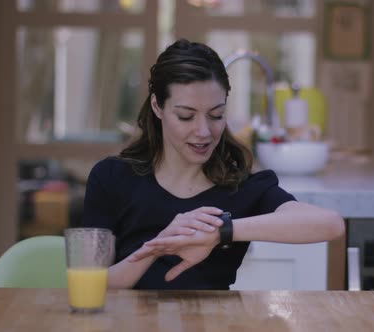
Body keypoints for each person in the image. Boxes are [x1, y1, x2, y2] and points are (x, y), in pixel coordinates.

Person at [83, 38, 345, 290]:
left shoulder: (240, 186)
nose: (204, 131)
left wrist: (222, 231)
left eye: (216, 115)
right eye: (186, 116)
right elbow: (94, 285)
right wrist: (157, 247)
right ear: (157, 106)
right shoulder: (111, 178)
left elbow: (330, 224)